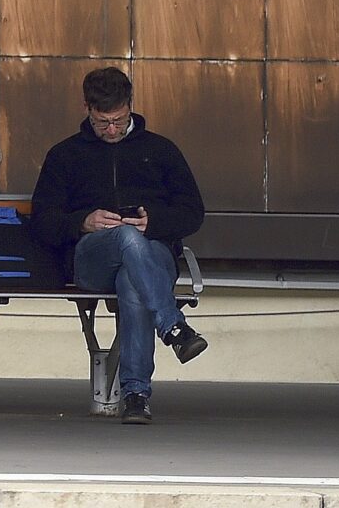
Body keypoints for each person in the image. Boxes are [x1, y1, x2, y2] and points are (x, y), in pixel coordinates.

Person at [28, 65, 209, 424]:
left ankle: (136, 395)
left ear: (130, 106)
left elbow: (193, 212)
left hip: (150, 255)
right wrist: (83, 221)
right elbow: (43, 220)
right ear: (87, 109)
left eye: (118, 120)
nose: (111, 130)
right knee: (126, 240)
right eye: (102, 123)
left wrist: (153, 221)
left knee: (132, 280)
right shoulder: (65, 155)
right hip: (92, 258)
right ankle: (173, 325)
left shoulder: (160, 150)